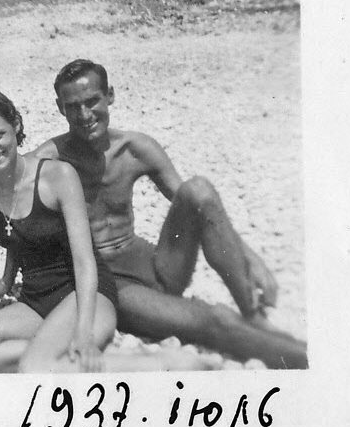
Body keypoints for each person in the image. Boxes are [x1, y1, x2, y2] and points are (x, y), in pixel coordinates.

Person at [33, 59, 308, 369]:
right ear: (60, 108)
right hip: (109, 285)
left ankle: (254, 315)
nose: (84, 115)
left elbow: (202, 208)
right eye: (73, 106)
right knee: (212, 320)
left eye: (92, 101)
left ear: (110, 95)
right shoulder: (49, 160)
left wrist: (249, 259)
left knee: (199, 189)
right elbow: (6, 193)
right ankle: (305, 360)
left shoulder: (135, 148)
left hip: (152, 265)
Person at [0, 90, 212, 373]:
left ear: (16, 126)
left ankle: (160, 365)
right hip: (36, 300)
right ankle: (59, 355)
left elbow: (85, 261)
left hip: (86, 296)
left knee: (36, 369)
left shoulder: (58, 176)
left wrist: (83, 332)